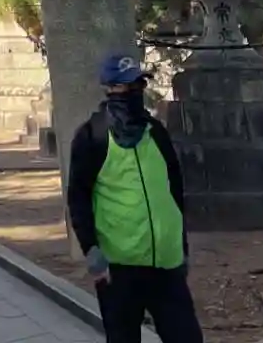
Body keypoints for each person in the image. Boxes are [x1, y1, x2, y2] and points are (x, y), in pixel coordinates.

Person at [65, 53, 205, 343]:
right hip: (118, 268)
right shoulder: (92, 136)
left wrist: (181, 246)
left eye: (138, 84)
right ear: (109, 89)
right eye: (125, 86)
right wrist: (91, 250)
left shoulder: (156, 132)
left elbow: (174, 191)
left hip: (166, 264)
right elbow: (78, 197)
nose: (133, 91)